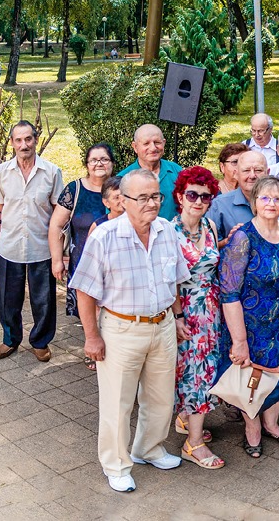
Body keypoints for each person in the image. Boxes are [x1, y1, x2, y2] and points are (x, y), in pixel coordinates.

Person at [70, 170, 189, 492]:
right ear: (123, 200)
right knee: (117, 403)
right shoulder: (104, 237)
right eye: (144, 198)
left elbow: (175, 281)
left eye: (156, 197)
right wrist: (91, 337)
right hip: (121, 329)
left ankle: (148, 450)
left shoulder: (167, 231)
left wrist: (177, 317)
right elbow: (85, 291)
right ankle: (116, 464)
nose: (152, 204)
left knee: (161, 398)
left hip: (162, 326)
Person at [218, 176, 279, 458]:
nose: (271, 203)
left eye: (277, 198)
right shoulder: (243, 237)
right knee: (254, 380)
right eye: (265, 198)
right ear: (254, 202)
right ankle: (253, 429)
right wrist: (239, 341)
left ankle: (272, 424)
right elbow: (229, 293)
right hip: (252, 327)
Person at [0, 121, 64, 362]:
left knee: (43, 299)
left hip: (41, 246)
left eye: (28, 139)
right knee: (7, 298)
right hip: (10, 245)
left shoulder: (52, 172)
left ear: (35, 139)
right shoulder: (2, 172)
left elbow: (58, 210)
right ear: (12, 143)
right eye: (18, 140)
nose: (24, 145)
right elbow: (3, 206)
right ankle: (10, 339)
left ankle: (41, 341)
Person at [168, 167, 225, 470]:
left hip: (211, 311)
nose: (198, 200)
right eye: (192, 194)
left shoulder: (211, 227)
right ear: (180, 196)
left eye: (205, 195)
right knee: (195, 372)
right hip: (185, 310)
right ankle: (194, 444)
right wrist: (177, 316)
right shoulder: (168, 231)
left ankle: (185, 419)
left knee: (200, 369)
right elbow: (169, 281)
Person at [50, 143, 113, 323]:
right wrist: (57, 261)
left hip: (114, 265)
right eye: (94, 160)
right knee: (89, 317)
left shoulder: (121, 188)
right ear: (86, 164)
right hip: (82, 264)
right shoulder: (75, 189)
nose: (99, 163)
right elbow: (55, 225)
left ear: (112, 163)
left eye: (104, 159)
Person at [206, 151, 279, 242]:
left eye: (258, 170)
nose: (252, 175)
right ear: (236, 174)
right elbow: (206, 249)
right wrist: (229, 241)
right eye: (246, 170)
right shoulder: (219, 206)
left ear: (267, 172)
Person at [120, 124, 183, 220]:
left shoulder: (177, 172)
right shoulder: (123, 179)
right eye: (146, 143)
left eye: (157, 142)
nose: (153, 148)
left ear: (164, 143)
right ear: (135, 147)